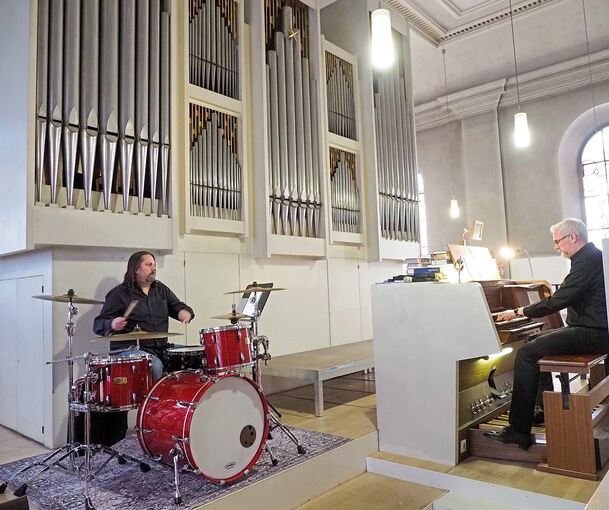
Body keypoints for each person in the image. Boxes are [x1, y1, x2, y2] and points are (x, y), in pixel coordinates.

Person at [485, 218, 609, 449]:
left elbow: (561, 299)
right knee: (534, 341)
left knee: (526, 353)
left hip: (594, 333)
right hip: (591, 329)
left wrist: (520, 311)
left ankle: (518, 431)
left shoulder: (588, 259)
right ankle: (542, 409)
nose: (556, 247)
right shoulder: (588, 257)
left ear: (572, 237)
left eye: (557, 241)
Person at [93, 251, 195, 381]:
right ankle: (152, 400)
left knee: (191, 355)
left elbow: (177, 306)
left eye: (154, 265)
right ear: (136, 269)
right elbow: (98, 324)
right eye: (149, 265)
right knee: (155, 365)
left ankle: (178, 399)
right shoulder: (119, 294)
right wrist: (113, 324)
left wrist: (185, 313)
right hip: (129, 350)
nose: (154, 268)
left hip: (160, 348)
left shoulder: (160, 289)